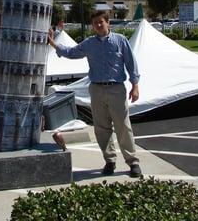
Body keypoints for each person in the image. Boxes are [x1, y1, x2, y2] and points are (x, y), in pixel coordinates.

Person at [48, 10, 142, 178]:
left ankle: (133, 162)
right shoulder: (89, 43)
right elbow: (71, 52)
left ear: (108, 23)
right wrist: (54, 44)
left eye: (101, 22)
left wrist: (135, 86)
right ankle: (110, 160)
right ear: (92, 26)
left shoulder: (120, 41)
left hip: (116, 89)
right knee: (101, 128)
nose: (98, 25)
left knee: (123, 126)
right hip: (97, 89)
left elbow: (131, 63)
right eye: (95, 23)